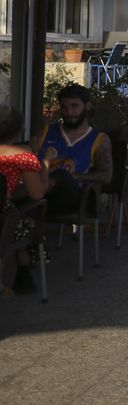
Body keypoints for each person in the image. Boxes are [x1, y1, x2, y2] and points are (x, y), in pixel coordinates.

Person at [34, 84, 112, 214]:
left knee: (62, 176)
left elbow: (106, 176)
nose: (69, 112)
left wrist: (72, 177)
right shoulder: (46, 132)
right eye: (64, 107)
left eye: (74, 106)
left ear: (87, 106)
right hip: (39, 194)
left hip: (72, 198)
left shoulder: (99, 139)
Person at [0, 104, 47, 294]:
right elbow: (37, 193)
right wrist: (45, 164)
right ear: (19, 130)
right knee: (29, 219)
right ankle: (24, 272)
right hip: (4, 219)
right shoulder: (22, 157)